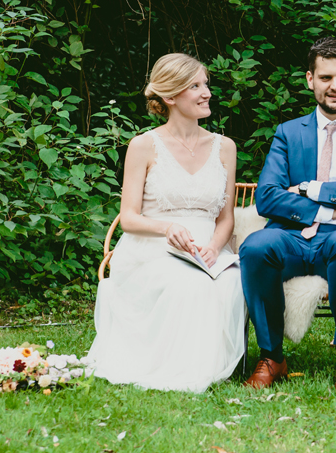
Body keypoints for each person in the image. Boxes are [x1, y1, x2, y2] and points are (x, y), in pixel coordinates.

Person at [240, 37, 336, 394]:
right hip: (294, 237)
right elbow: (267, 197)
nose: (335, 86)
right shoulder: (288, 133)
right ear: (310, 79)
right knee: (255, 246)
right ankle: (271, 356)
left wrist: (308, 189)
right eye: (326, 77)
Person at [88, 53, 245, 393]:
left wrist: (214, 248)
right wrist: (167, 228)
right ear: (171, 96)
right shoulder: (144, 146)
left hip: (207, 251)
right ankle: (179, 369)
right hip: (152, 249)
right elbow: (129, 218)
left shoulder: (225, 147)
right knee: (189, 285)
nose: (207, 93)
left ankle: (207, 363)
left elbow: (226, 218)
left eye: (206, 84)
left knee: (232, 282)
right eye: (195, 86)